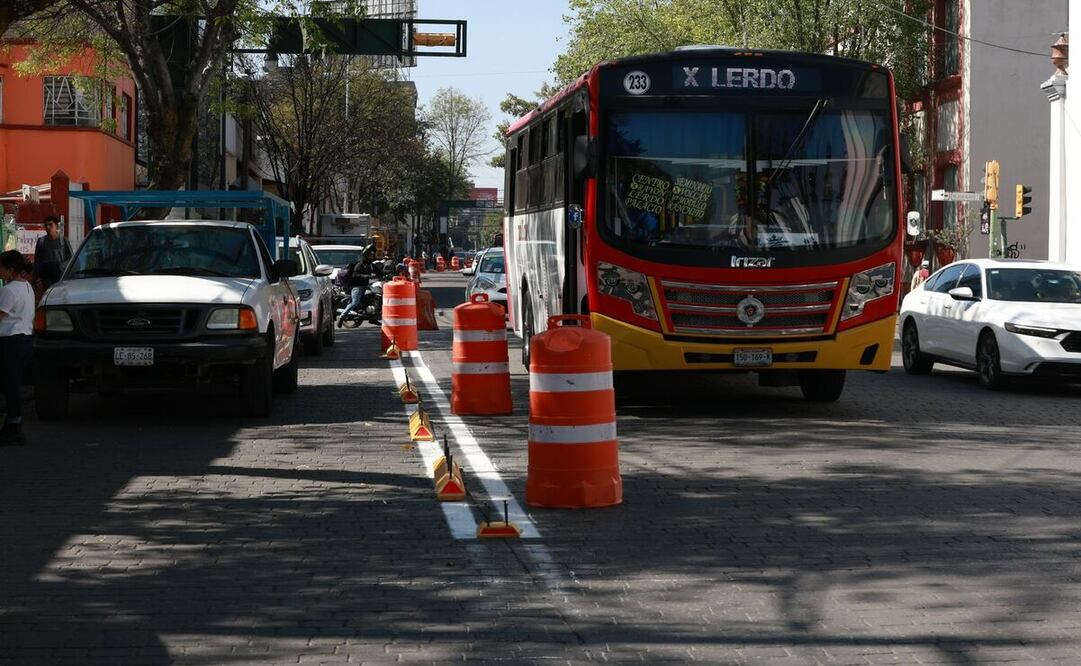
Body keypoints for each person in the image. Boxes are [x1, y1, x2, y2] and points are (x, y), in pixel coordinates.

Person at [0, 250, 36, 445]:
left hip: (10, 342)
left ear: (10, 270)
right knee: (12, 385)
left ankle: (14, 426)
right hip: (24, 341)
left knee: (10, 386)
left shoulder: (9, 290)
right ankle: (12, 423)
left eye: (1, 267)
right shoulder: (27, 288)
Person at [336, 245, 375, 327]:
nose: (371, 256)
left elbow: (379, 271)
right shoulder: (360, 264)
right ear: (365, 254)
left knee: (371, 298)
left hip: (365, 285)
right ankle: (342, 316)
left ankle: (372, 318)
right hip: (357, 286)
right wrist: (366, 276)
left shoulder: (370, 264)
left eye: (372, 254)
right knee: (355, 302)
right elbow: (355, 274)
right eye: (369, 254)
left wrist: (387, 273)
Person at [31, 216, 74, 290]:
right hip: (46, 276)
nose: (48, 227)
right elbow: (37, 261)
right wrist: (34, 279)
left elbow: (71, 258)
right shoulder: (41, 241)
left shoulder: (63, 240)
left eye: (50, 225)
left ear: (56, 226)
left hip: (60, 275)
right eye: (46, 225)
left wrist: (60, 267)